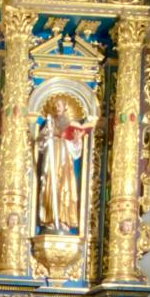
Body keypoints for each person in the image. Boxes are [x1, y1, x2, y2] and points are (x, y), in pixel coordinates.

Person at [36, 95, 88, 232]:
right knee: (50, 184)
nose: (56, 107)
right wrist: (48, 136)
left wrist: (76, 140)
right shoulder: (49, 123)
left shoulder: (70, 124)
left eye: (59, 105)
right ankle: (50, 219)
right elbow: (40, 144)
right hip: (51, 158)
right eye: (55, 105)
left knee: (65, 186)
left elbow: (76, 151)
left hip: (65, 160)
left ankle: (64, 219)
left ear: (65, 107)